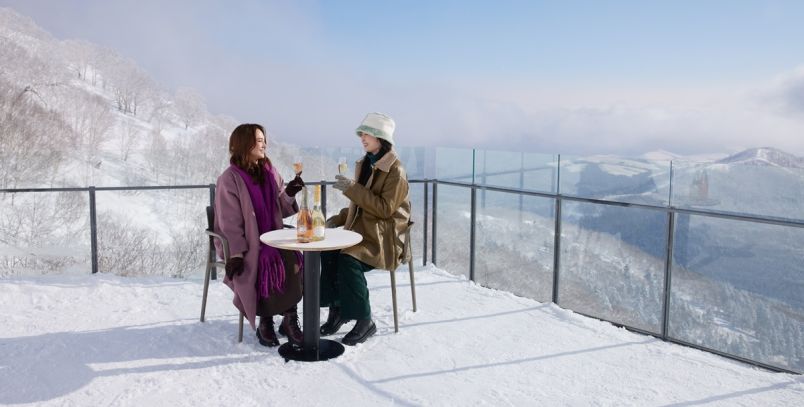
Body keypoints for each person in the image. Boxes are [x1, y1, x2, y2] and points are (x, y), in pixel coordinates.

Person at [320, 112, 411, 345]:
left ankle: (365, 320)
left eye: (367, 133)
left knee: (348, 258)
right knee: (328, 250)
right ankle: (337, 310)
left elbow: (384, 209)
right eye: (361, 133)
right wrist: (337, 218)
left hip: (383, 238)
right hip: (362, 231)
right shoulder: (366, 164)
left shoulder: (396, 171)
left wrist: (352, 188)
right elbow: (359, 203)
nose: (362, 137)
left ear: (381, 137)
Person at [214, 123, 306, 347]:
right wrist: (235, 254)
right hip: (245, 245)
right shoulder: (229, 179)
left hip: (272, 236)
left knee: (293, 255)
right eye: (258, 140)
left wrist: (290, 193)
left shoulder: (270, 171)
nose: (264, 144)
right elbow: (229, 223)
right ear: (244, 144)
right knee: (268, 260)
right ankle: (266, 321)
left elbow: (281, 209)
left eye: (264, 139)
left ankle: (289, 319)